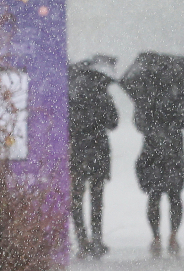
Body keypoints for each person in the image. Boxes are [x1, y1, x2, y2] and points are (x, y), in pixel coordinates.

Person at [68, 57, 119, 259]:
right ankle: (97, 239)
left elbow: (68, 124)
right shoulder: (102, 93)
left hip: (78, 152)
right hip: (98, 151)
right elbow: (114, 122)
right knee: (97, 197)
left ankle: (82, 240)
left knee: (77, 197)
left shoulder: (71, 93)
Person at [134, 103, 184, 258]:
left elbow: (139, 123)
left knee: (155, 196)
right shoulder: (178, 94)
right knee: (174, 196)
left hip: (154, 153)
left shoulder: (147, 95)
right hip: (171, 153)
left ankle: (157, 236)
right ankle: (172, 236)